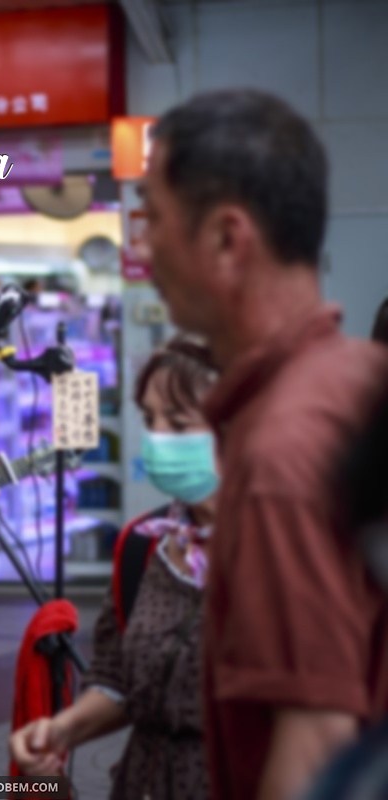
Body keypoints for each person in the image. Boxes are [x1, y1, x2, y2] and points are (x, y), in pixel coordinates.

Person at [138, 89, 388, 800]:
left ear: (226, 238)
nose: (142, 247)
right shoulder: (361, 378)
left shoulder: (279, 451)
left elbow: (313, 740)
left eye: (152, 218)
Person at [10, 336, 218, 799]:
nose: (157, 437)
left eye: (178, 424)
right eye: (149, 420)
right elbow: (117, 678)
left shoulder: (285, 546)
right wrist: (60, 730)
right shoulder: (143, 545)